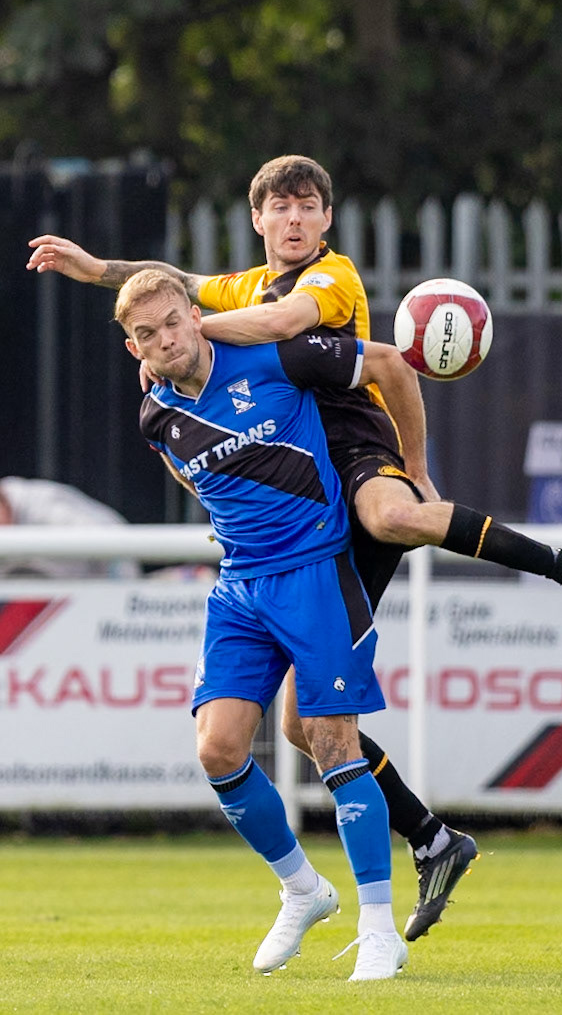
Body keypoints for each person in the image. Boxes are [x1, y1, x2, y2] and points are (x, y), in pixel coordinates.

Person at [27, 154, 562, 941]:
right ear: (257, 219)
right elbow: (172, 282)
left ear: (325, 218)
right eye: (279, 207)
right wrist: (98, 273)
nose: (293, 219)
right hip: (299, 494)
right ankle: (432, 838)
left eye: (306, 206)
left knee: (390, 515)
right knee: (303, 728)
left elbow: (281, 326)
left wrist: (414, 465)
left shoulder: (332, 277)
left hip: (352, 447)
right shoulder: (240, 287)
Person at [113, 268, 431, 979]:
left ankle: (379, 928)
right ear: (135, 348)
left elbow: (387, 364)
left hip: (315, 570)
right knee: (218, 749)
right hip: (239, 587)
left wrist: (413, 471)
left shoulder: (272, 355)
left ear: (193, 315)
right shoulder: (154, 415)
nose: (165, 339)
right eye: (147, 334)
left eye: (172, 321)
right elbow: (191, 475)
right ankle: (302, 889)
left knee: (332, 741)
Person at [0, 476, 139, 580]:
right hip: (46, 599)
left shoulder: (52, 509)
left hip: (100, 583)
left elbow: (113, 546)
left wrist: (122, 596)